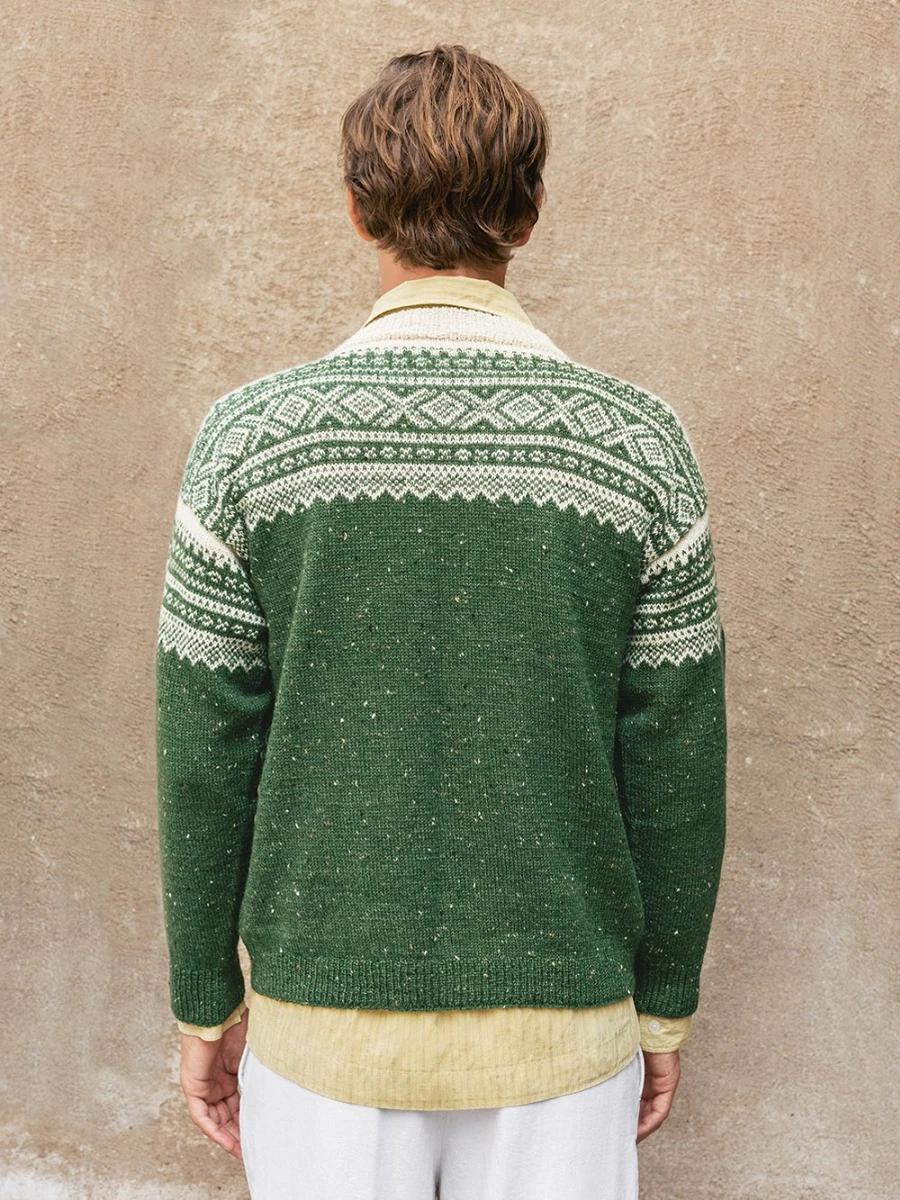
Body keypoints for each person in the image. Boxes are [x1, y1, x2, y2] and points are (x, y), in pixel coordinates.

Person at [155, 42, 727, 1200]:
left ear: (356, 207)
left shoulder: (249, 443)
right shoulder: (641, 447)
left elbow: (204, 755)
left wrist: (203, 1001)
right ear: (529, 213)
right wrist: (664, 1007)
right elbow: (676, 761)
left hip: (321, 1040)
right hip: (563, 1041)